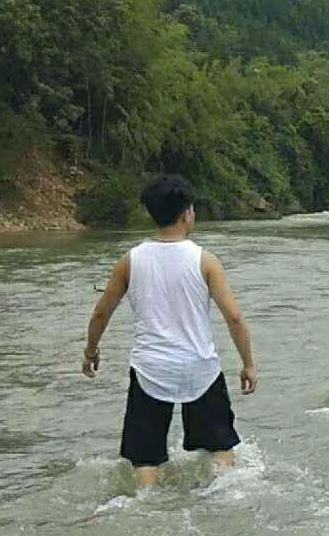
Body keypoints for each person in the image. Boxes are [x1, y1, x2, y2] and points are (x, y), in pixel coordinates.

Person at [82, 175, 257, 488]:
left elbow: (101, 312)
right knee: (220, 448)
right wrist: (248, 364)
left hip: (151, 368)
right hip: (199, 367)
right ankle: (225, 497)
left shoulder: (130, 261)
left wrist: (91, 351)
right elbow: (234, 316)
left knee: (145, 457)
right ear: (187, 213)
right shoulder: (205, 261)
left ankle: (147, 506)